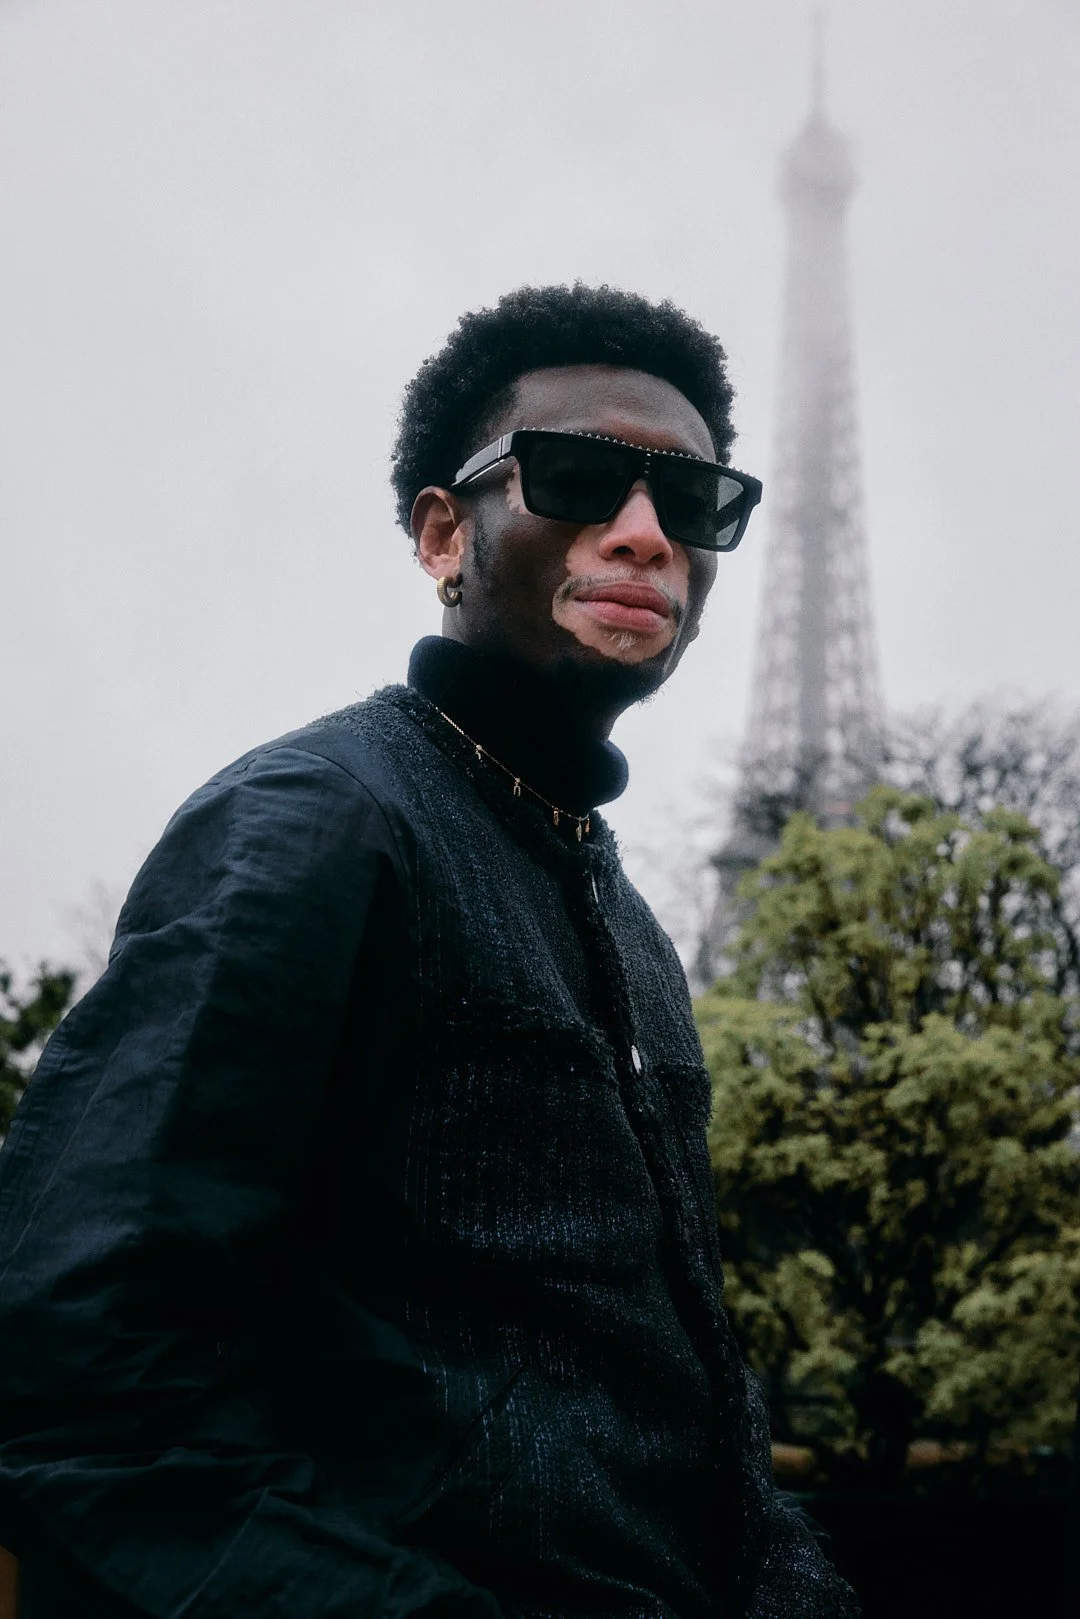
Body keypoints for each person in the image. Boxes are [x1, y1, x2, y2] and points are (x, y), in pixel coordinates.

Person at [0, 284, 857, 1618]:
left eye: (692, 504)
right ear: (444, 534)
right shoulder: (314, 826)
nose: (645, 535)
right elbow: (82, 1406)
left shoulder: (628, 926)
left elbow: (678, 1409)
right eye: (579, 478)